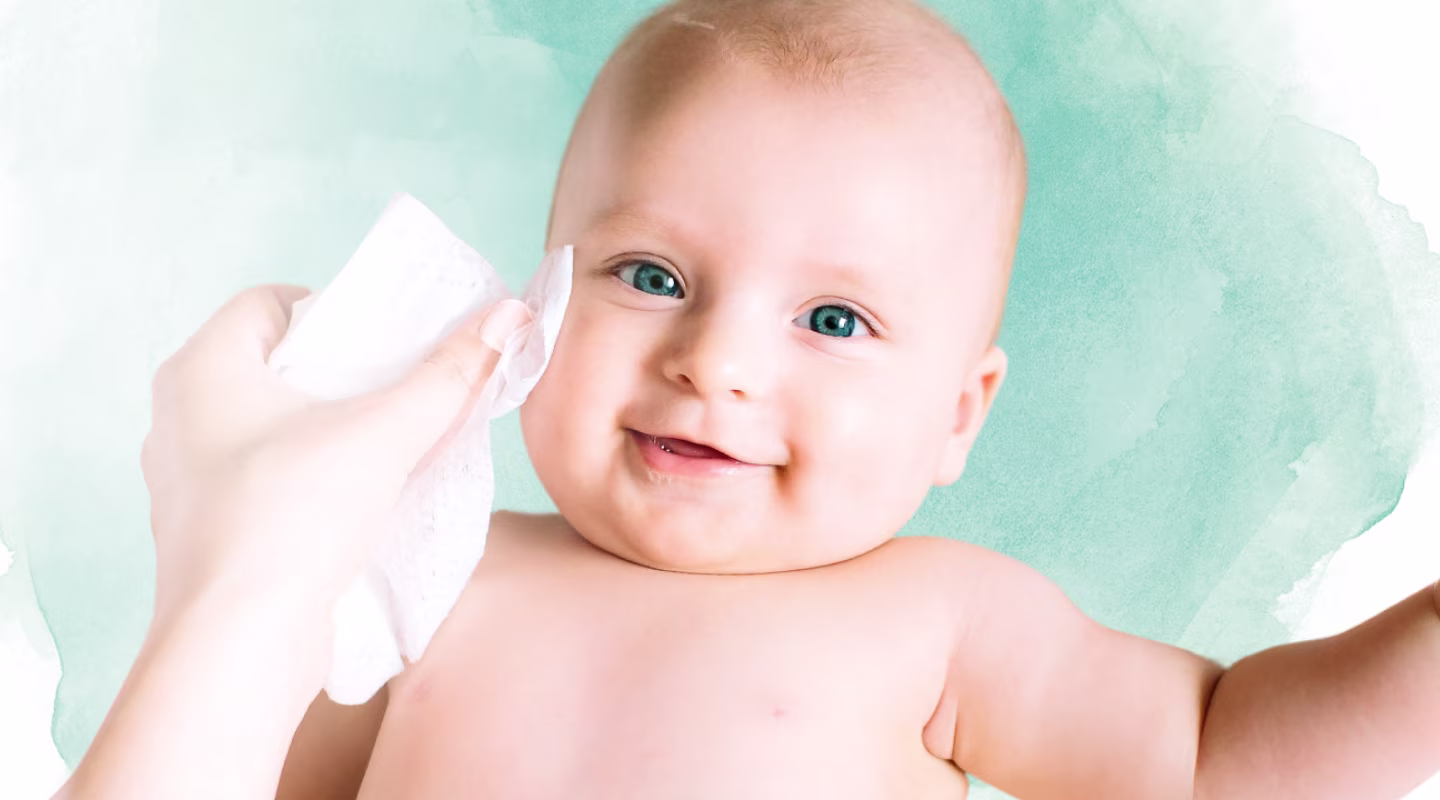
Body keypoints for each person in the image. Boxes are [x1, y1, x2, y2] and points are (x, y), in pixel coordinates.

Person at [57, 1, 1440, 798]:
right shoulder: (432, 573)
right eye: (649, 274)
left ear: (961, 412)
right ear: (537, 294)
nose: (715, 361)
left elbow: (1221, 762)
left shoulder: (938, 617)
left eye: (833, 319)